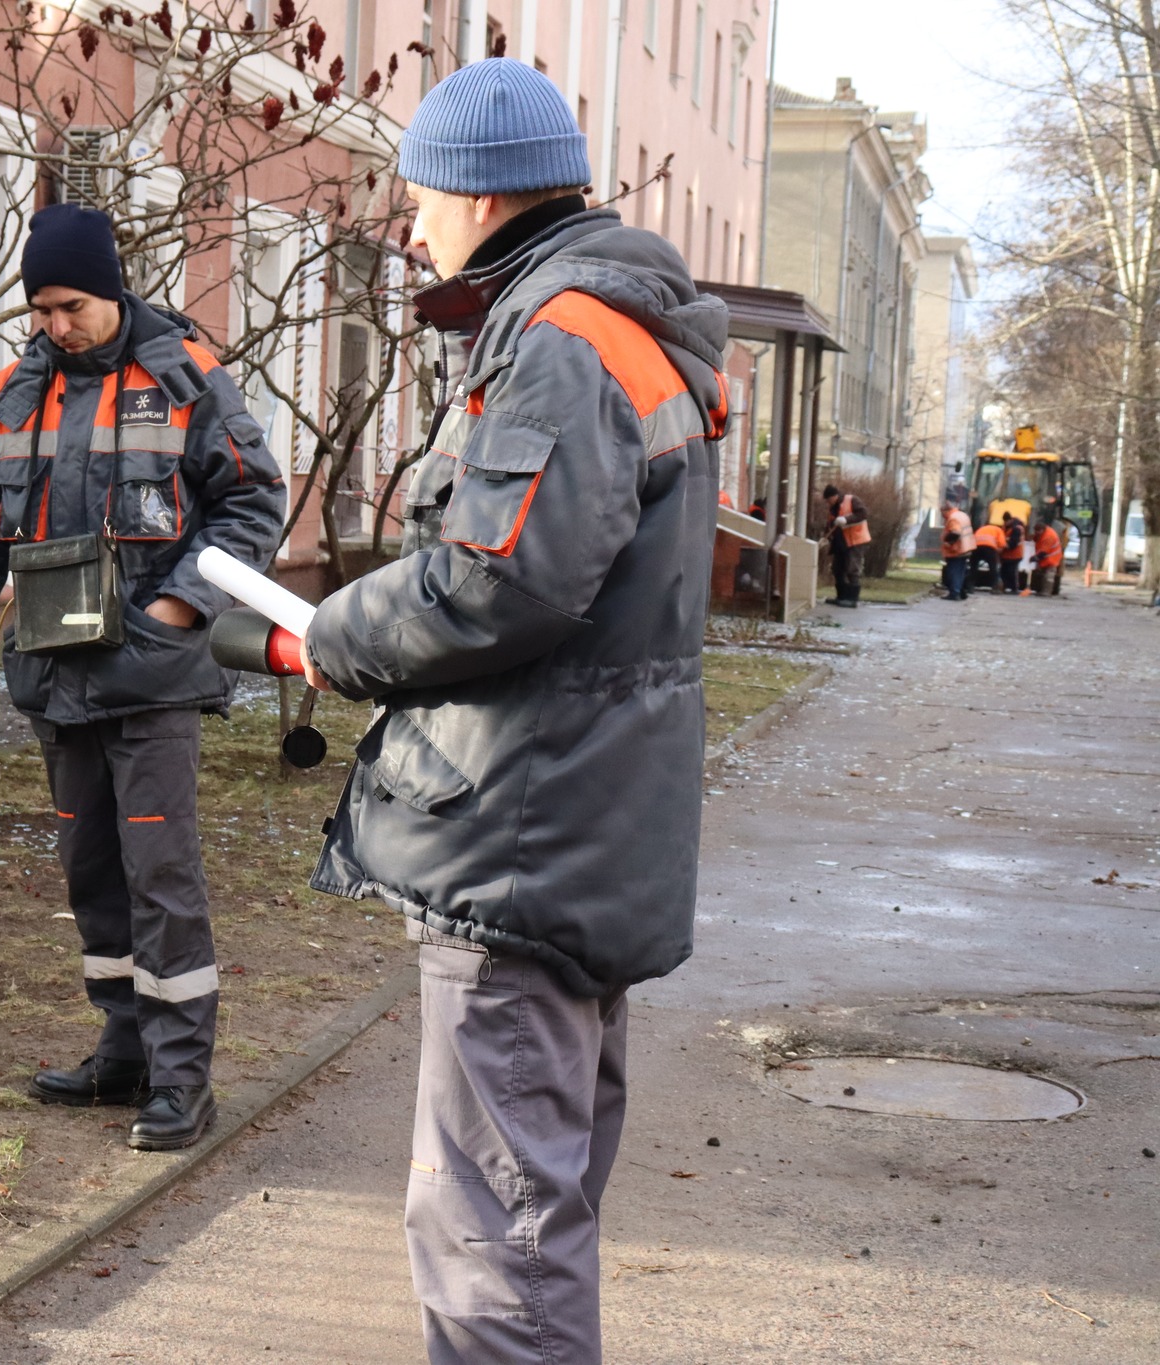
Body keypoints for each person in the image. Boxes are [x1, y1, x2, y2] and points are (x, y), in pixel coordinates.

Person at [298, 59, 727, 1363]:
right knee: (531, 1217)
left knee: (494, 1238)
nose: (411, 224)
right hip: (572, 833)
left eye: (419, 195)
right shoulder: (610, 324)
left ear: (477, 194)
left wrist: (322, 634)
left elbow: (498, 586)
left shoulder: (560, 338)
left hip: (521, 848)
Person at [0, 204, 286, 1151]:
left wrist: (178, 607)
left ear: (109, 289)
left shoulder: (186, 377)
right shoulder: (13, 393)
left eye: (70, 305)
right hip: (55, 678)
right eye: (40, 309)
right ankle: (124, 1053)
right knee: (93, 876)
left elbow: (252, 501)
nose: (55, 326)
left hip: (151, 680)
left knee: (161, 876)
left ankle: (182, 1078)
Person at [823, 483, 870, 607]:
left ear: (835, 496)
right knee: (837, 569)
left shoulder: (852, 500)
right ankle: (841, 597)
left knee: (852, 568)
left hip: (855, 541)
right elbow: (831, 524)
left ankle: (852, 599)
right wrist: (826, 537)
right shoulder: (833, 508)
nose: (828, 503)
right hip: (840, 543)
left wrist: (846, 519)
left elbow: (863, 514)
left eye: (829, 500)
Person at [941, 500, 976, 599]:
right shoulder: (962, 515)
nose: (942, 515)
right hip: (966, 547)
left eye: (942, 512)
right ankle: (961, 591)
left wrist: (948, 542)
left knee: (953, 572)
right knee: (961, 571)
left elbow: (955, 532)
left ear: (946, 510)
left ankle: (955, 593)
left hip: (956, 550)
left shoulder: (953, 518)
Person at [1032, 519, 1064, 596]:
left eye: (1037, 531)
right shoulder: (1044, 533)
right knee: (1043, 575)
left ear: (1042, 530)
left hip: (1052, 558)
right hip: (1047, 558)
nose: (1036, 533)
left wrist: (1035, 558)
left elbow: (1044, 551)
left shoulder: (1049, 536)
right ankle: (1042, 590)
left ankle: (1046, 592)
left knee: (1048, 576)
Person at [999, 513, 1027, 595]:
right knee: (1004, 571)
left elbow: (1013, 543)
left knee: (1011, 571)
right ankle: (1004, 587)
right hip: (1007, 554)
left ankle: (1014, 588)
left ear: (1010, 520)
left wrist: (1003, 545)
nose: (1005, 523)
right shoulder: (1007, 527)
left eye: (1006, 521)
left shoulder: (1017, 528)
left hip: (1015, 554)